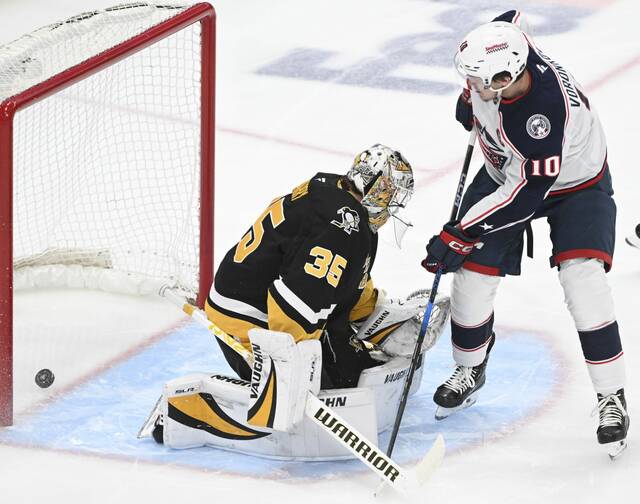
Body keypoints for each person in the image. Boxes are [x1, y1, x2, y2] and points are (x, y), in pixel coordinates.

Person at [422, 10, 629, 458]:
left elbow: (524, 197)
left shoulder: (540, 115)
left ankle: (612, 396)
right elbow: (510, 17)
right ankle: (470, 369)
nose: (473, 87)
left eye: (479, 83)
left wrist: (459, 232)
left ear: (503, 80)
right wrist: (469, 99)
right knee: (472, 276)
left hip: (574, 185)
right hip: (507, 171)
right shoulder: (511, 48)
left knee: (583, 279)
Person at [207, 144, 418, 390]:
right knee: (341, 382)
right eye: (393, 195)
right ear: (376, 188)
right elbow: (298, 299)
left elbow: (345, 278)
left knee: (355, 368)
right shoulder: (343, 225)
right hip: (248, 320)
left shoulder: (340, 199)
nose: (393, 206)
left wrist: (378, 319)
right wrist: (297, 373)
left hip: (255, 301)